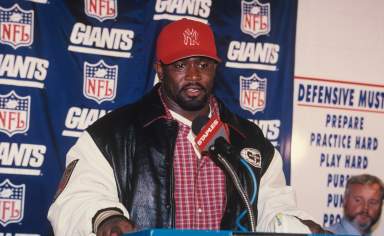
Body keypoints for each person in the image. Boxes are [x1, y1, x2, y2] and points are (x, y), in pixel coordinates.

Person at [48, 18, 327, 236]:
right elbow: (78, 198)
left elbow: (273, 206)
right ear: (160, 70)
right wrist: (106, 218)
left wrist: (297, 226)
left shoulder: (249, 139)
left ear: (215, 69)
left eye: (203, 64)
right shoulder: (112, 134)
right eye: (180, 65)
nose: (193, 75)